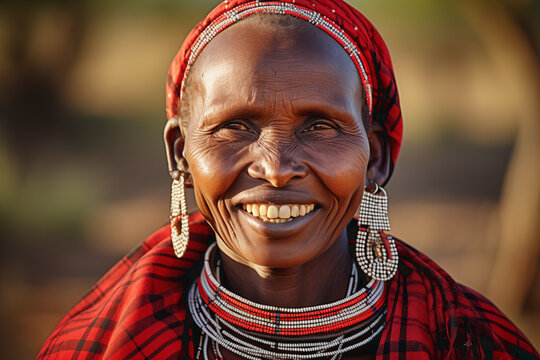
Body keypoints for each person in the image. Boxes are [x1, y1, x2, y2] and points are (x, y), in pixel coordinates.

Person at [38, 0, 539, 359]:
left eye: (320, 126)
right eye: (235, 127)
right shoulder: (97, 344)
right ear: (181, 155)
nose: (276, 168)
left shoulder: (469, 340)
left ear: (377, 158)